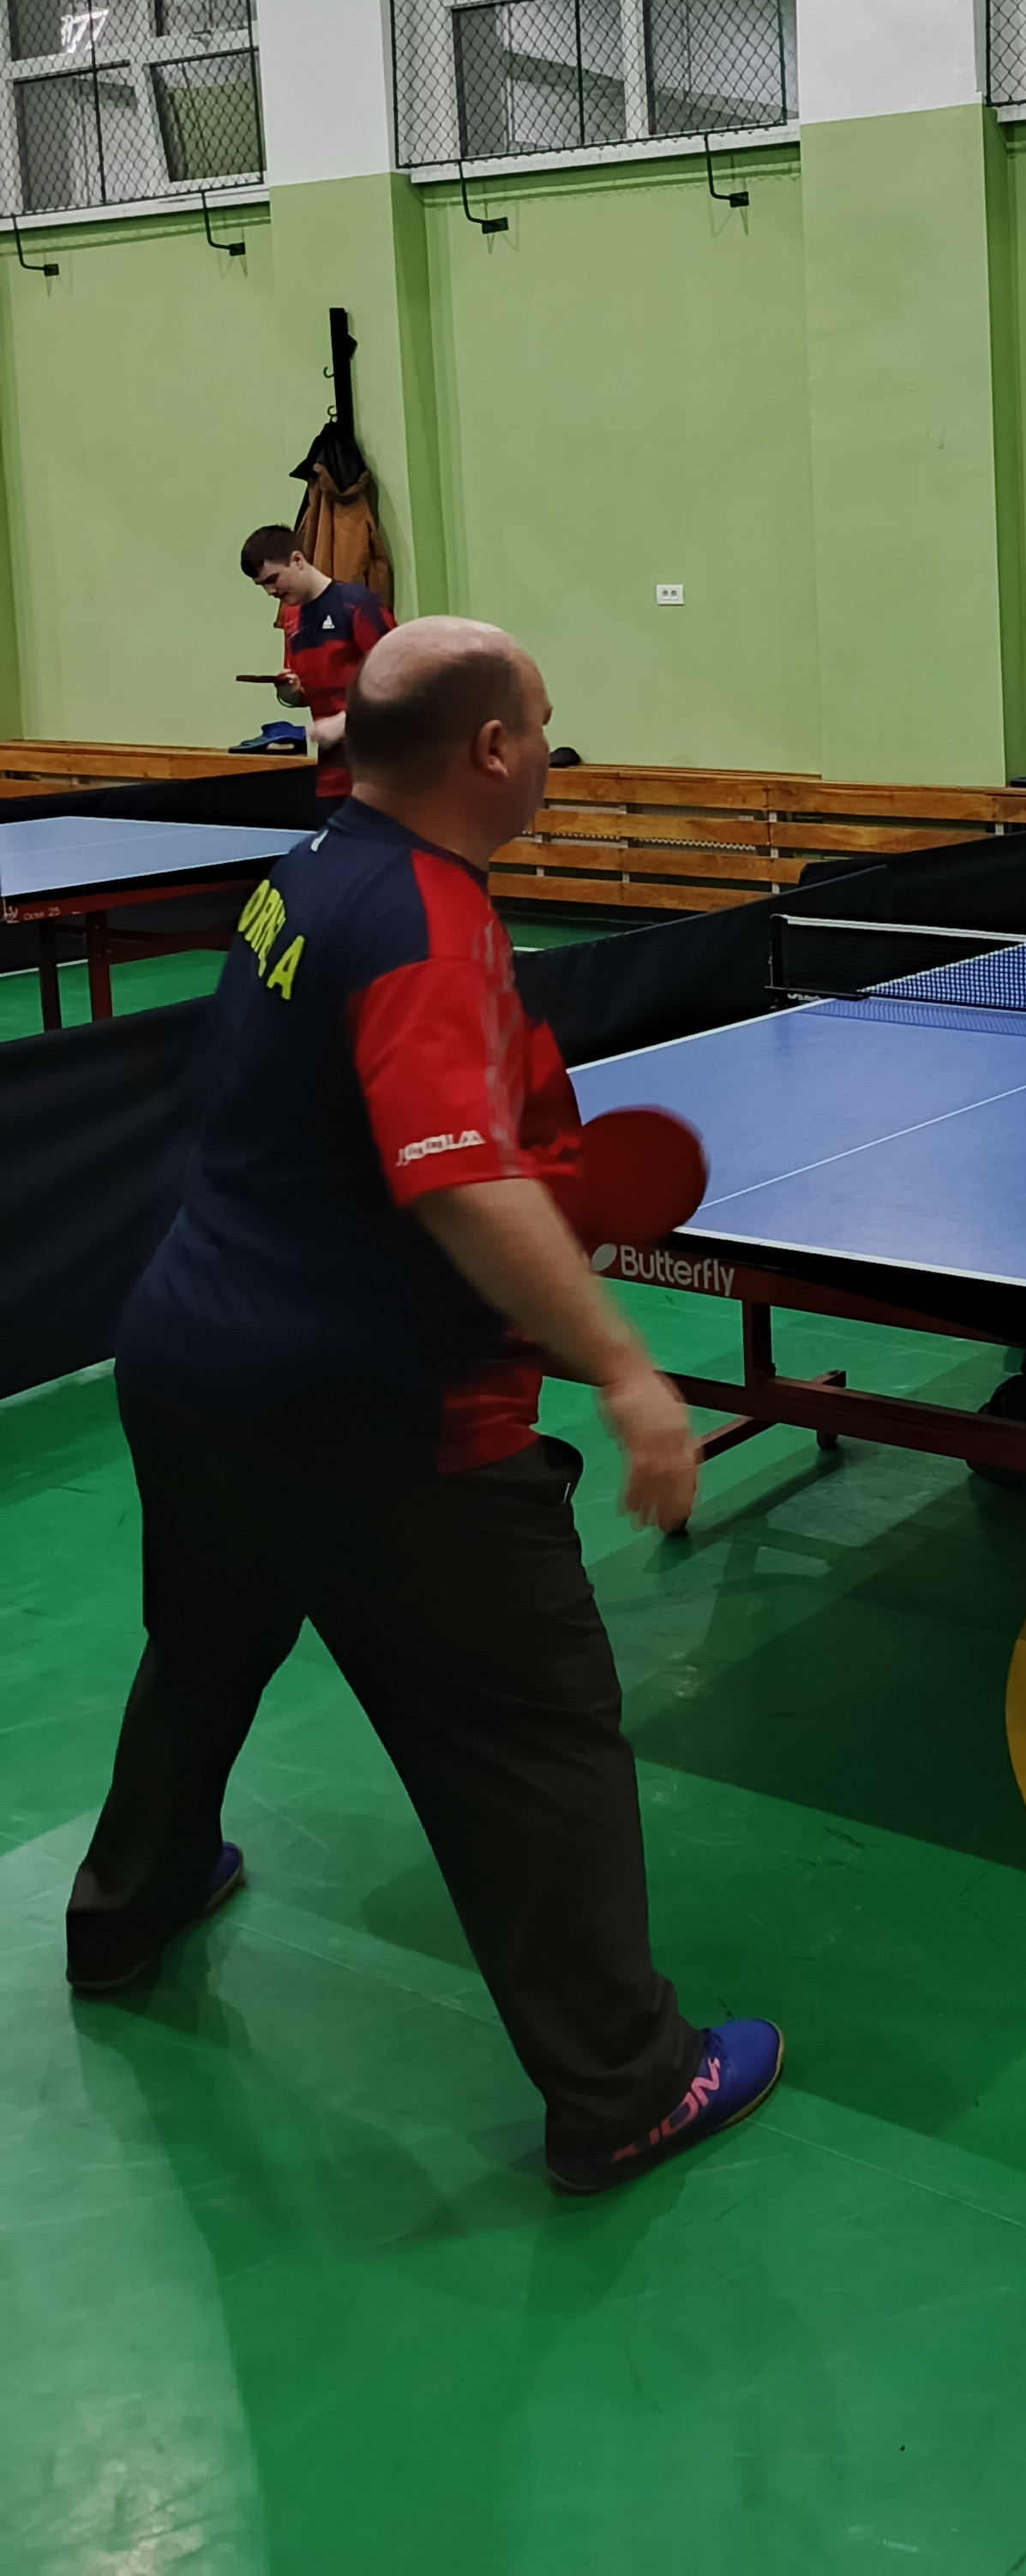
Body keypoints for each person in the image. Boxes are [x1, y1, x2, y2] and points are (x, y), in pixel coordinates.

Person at [68, 614, 782, 2192]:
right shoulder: (431, 922)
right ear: (492, 749)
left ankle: (126, 1908)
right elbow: (453, 1180)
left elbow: (348, 1118)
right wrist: (628, 1370)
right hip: (377, 1415)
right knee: (534, 1734)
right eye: (546, 723)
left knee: (204, 1646)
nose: (552, 749)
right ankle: (628, 2085)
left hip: (189, 1361)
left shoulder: (307, 872)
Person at [238, 525, 396, 806]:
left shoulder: (357, 605)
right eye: (262, 585)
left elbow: (402, 684)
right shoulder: (292, 619)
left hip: (382, 770)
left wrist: (345, 722)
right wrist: (289, 693)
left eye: (273, 579)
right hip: (333, 774)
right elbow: (301, 695)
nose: (270, 591)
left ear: (297, 560)